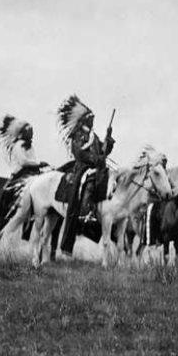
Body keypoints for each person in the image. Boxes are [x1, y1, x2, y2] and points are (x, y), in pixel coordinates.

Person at [56, 94, 115, 256]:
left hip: (96, 166)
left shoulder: (92, 135)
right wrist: (95, 158)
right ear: (84, 120)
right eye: (91, 118)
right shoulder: (78, 136)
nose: (93, 120)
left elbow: (102, 150)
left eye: (93, 118)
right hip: (82, 167)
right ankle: (85, 211)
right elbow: (79, 154)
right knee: (88, 180)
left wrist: (108, 140)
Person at [0, 115, 47, 227]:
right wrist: (38, 164)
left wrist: (40, 166)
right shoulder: (18, 145)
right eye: (29, 131)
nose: (32, 134)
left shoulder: (29, 146)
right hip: (22, 172)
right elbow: (23, 161)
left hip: (32, 170)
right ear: (23, 133)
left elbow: (32, 160)